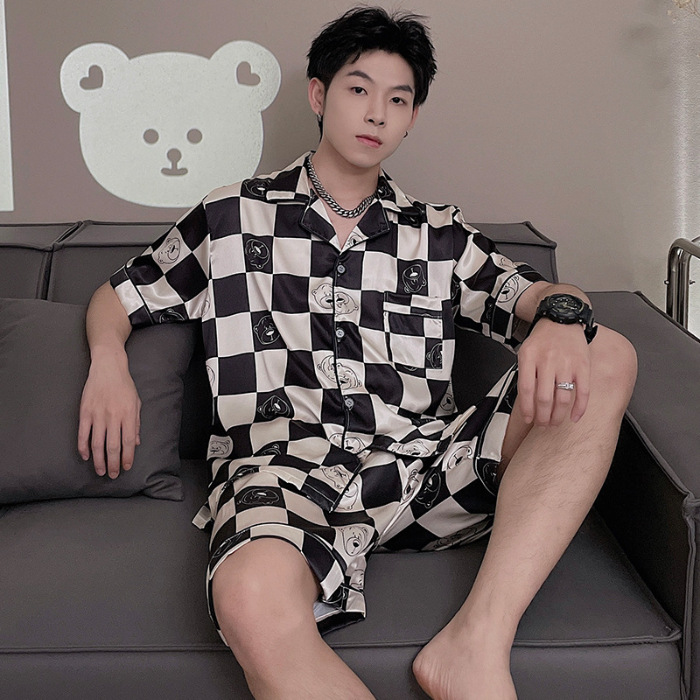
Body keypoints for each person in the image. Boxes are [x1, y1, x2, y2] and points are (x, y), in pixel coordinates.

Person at [78, 7, 638, 700]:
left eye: (398, 100)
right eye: (358, 89)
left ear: (411, 119)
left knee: (607, 352)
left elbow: (539, 294)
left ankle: (475, 644)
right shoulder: (232, 216)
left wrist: (560, 316)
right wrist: (109, 363)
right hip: (282, 470)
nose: (377, 113)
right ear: (319, 95)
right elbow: (118, 297)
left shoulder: (439, 234)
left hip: (422, 468)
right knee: (249, 595)